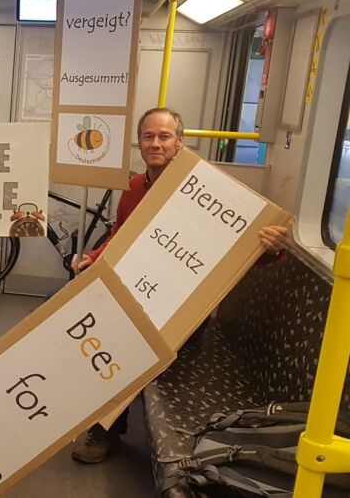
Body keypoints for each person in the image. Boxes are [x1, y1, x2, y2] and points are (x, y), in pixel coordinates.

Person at [69, 107, 289, 464]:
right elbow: (120, 236)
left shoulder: (208, 192)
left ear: (180, 143)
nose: (156, 143)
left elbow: (241, 250)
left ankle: (110, 425)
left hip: (184, 303)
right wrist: (95, 256)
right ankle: (107, 425)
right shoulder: (133, 188)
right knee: (106, 334)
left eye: (164, 136)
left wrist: (272, 248)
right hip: (137, 292)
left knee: (132, 344)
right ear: (140, 143)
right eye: (148, 136)